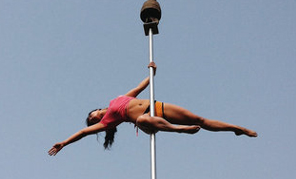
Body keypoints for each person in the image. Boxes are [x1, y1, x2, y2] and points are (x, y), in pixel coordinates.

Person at [48, 63, 257, 157]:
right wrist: (65, 142)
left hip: (157, 107)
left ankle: (236, 128)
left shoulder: (117, 99)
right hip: (147, 120)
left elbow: (140, 87)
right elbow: (84, 133)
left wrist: (152, 73)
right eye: (93, 121)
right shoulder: (107, 123)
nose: (93, 119)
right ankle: (178, 130)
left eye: (91, 116)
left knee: (200, 119)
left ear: (96, 110)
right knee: (140, 121)